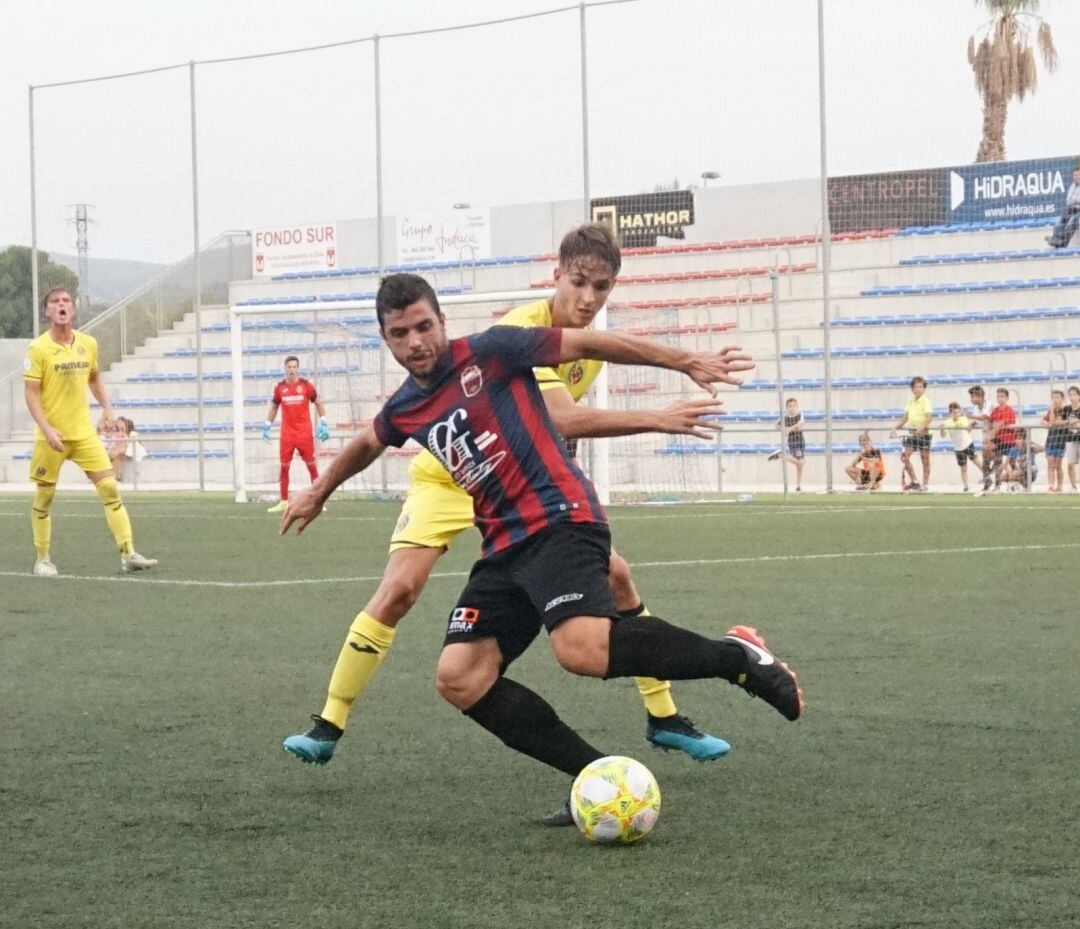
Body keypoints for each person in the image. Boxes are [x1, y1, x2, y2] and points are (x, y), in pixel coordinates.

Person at [281, 272, 802, 822]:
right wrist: (319, 491)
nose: (416, 342)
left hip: (559, 516)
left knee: (580, 649)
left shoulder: (494, 350)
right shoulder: (405, 406)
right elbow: (368, 441)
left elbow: (592, 343)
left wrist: (683, 360)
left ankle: (737, 658)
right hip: (503, 543)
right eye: (400, 333)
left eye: (424, 326)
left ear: (442, 321)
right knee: (460, 677)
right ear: (386, 339)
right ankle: (596, 778)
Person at [23, 287, 157, 576]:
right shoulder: (38, 349)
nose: (61, 305)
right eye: (55, 301)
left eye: (66, 301)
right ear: (47, 311)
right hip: (51, 437)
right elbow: (31, 393)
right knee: (44, 498)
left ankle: (128, 554)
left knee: (109, 488)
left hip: (83, 434)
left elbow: (94, 377)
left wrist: (107, 408)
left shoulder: (88, 344)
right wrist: (47, 429)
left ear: (73, 309)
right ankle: (42, 559)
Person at [263, 355, 329, 514]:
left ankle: (317, 502)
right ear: (285, 368)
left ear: (298, 368)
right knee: (284, 467)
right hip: (287, 435)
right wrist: (267, 424)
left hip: (304, 433)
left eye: (294, 367)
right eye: (289, 367)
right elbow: (274, 407)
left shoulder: (306, 385)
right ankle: (283, 502)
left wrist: (324, 421)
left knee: (311, 466)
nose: (292, 370)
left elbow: (318, 402)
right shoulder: (280, 388)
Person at [891, 376, 933, 491]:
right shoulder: (910, 402)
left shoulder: (926, 401)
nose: (918, 389)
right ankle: (915, 481)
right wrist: (895, 427)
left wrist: (921, 427)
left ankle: (925, 485)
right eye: (916, 387)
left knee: (925, 460)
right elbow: (905, 417)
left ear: (924, 388)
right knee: (904, 457)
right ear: (912, 389)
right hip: (913, 434)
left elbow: (929, 418)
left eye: (921, 387)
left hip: (924, 434)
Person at [982, 387, 1018, 494]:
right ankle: (996, 484)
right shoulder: (996, 410)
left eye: (1002, 396)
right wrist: (987, 429)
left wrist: (990, 434)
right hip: (999, 440)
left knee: (1012, 462)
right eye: (998, 396)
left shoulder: (1009, 409)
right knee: (991, 454)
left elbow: (1001, 424)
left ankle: (1016, 483)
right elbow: (989, 421)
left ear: (1007, 398)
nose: (999, 398)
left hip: (1010, 441)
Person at [939, 402, 981, 492]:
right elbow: (943, 435)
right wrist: (942, 430)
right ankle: (966, 486)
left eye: (958, 412)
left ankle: (987, 477)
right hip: (958, 448)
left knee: (976, 461)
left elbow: (967, 429)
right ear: (950, 413)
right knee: (963, 467)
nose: (957, 414)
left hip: (968, 443)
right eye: (954, 413)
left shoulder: (963, 419)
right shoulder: (947, 422)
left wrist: (971, 425)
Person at [766, 397, 805, 491]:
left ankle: (798, 486)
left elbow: (801, 423)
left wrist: (789, 429)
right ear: (787, 408)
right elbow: (776, 425)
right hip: (794, 441)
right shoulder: (785, 418)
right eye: (790, 406)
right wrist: (784, 430)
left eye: (794, 406)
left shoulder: (800, 414)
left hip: (801, 441)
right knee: (800, 462)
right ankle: (781, 455)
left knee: (800, 464)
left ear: (797, 407)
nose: (792, 408)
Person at [966, 386, 995, 493]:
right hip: (986, 435)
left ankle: (1001, 476)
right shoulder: (976, 408)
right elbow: (976, 421)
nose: (971, 399)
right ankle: (987, 482)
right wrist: (970, 425)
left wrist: (970, 416)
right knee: (986, 459)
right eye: (971, 397)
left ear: (980, 397)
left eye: (973, 397)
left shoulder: (989, 404)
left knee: (995, 458)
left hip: (995, 433)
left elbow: (984, 417)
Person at [1045, 167, 1080, 249]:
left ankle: (1063, 243)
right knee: (1059, 220)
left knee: (1072, 221)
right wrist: (1074, 200)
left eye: (1077, 175)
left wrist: (1074, 200)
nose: (1076, 177)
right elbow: (1068, 201)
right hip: (1072, 209)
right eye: (1074, 175)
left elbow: (1077, 200)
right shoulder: (1072, 186)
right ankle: (1056, 239)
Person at [1042, 390, 1068, 493]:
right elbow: (1045, 421)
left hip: (1060, 441)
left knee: (1058, 465)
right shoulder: (1050, 411)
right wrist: (1044, 422)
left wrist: (1052, 411)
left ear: (1062, 399)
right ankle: (1051, 486)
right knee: (1050, 464)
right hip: (1050, 440)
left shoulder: (1065, 410)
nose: (1055, 400)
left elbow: (1053, 422)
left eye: (1057, 397)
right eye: (1053, 398)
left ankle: (1060, 486)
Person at [1062, 385, 1080, 493]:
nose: (1072, 397)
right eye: (1070, 395)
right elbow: (1057, 422)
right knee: (1070, 464)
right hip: (1070, 438)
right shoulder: (1066, 409)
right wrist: (1070, 422)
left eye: (1074, 394)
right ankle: (1073, 487)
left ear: (1079, 396)